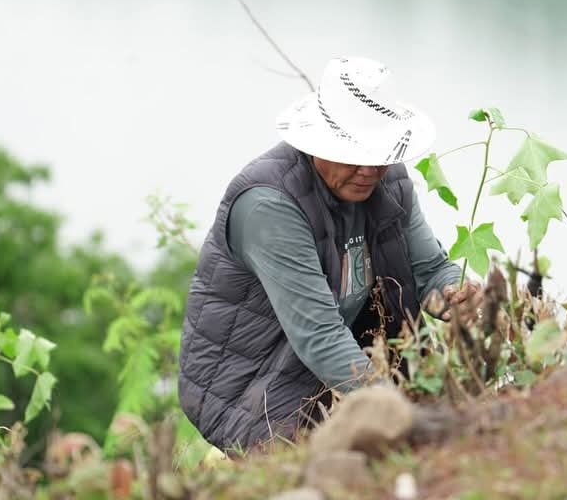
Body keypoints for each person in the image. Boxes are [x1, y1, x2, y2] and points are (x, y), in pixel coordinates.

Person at [178, 56, 480, 452]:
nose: (368, 170)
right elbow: (319, 334)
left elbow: (431, 271)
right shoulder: (269, 206)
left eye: (378, 154)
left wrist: (459, 296)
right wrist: (397, 413)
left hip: (334, 367)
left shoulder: (390, 181)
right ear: (318, 142)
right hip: (252, 386)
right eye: (353, 153)